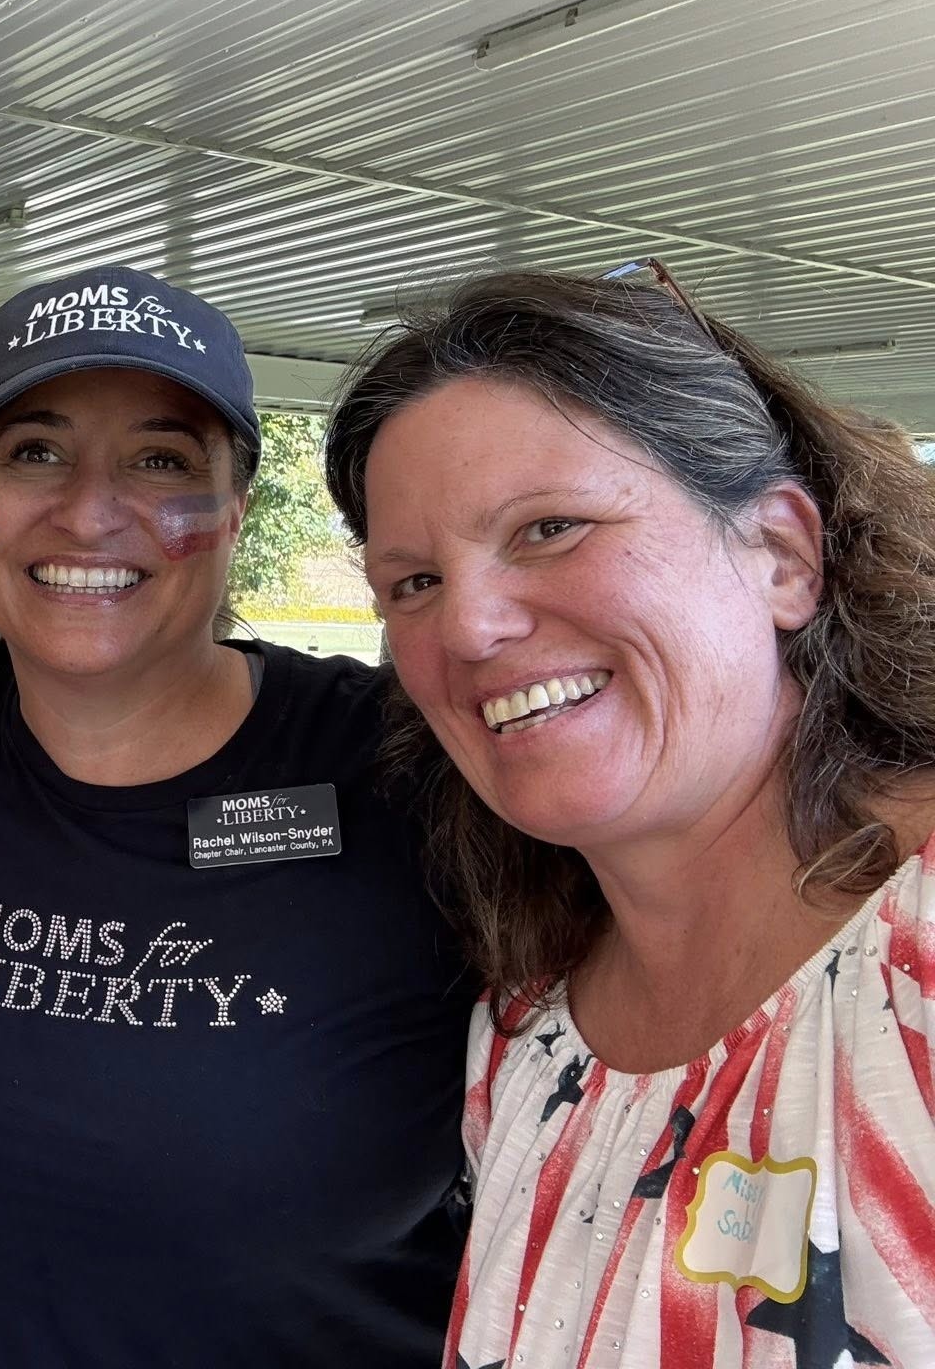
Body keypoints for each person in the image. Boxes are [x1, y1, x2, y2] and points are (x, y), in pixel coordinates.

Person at [0, 266, 472, 1364]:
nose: (89, 511)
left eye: (161, 460)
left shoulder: (412, 769)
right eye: (33, 452)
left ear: (235, 512)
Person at [323, 269, 935, 1368]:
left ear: (781, 555)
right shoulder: (523, 1032)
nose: (467, 628)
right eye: (411, 583)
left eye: (549, 528)